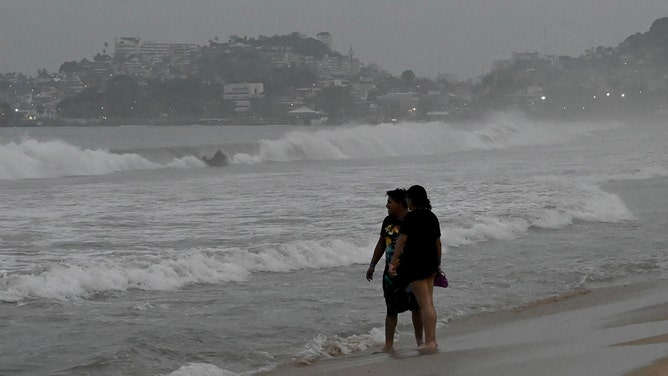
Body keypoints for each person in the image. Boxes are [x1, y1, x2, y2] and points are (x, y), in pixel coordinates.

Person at [366, 188, 423, 352]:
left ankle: (420, 342)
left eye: (390, 202)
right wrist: (372, 265)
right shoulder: (387, 221)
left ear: (399, 203)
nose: (387, 205)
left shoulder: (413, 219)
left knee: (416, 308)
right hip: (390, 274)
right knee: (391, 310)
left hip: (411, 272)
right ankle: (388, 345)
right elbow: (382, 243)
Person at [389, 185, 442, 354]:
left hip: (415, 264)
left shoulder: (411, 217)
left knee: (424, 304)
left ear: (412, 199)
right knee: (430, 304)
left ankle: (430, 342)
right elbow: (437, 243)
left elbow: (402, 241)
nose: (407, 201)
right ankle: (432, 340)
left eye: (408, 199)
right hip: (431, 263)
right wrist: (438, 263)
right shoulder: (432, 217)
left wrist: (393, 261)